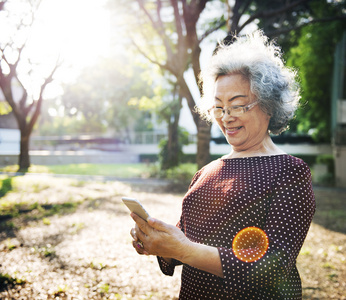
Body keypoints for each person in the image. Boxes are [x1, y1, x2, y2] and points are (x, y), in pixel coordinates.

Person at [129, 30, 316, 299]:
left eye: (238, 105)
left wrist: (183, 249)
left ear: (269, 105)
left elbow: (274, 268)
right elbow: (187, 243)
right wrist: (159, 243)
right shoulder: (206, 172)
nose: (226, 117)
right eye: (218, 107)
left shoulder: (289, 171)